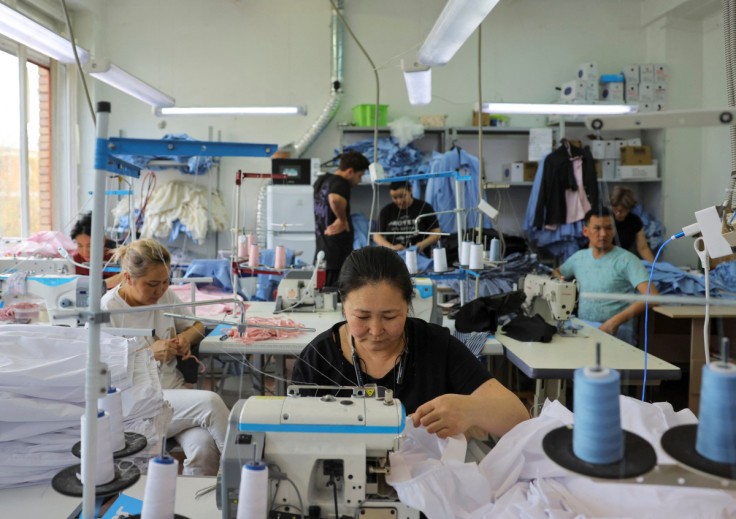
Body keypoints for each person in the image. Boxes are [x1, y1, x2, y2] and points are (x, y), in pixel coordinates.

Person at [291, 246, 528, 439]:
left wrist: (470, 410)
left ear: (408, 305)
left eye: (390, 317)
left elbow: (519, 417)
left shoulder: (437, 347)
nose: (376, 330)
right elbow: (293, 434)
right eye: (362, 317)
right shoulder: (317, 358)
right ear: (342, 305)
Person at [100, 238, 229, 476]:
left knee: (204, 448)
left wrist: (186, 338)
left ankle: (196, 507)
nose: (160, 290)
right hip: (141, 404)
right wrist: (149, 354)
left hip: (175, 396)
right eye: (152, 284)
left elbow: (198, 326)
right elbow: (104, 374)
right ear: (127, 278)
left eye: (165, 282)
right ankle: (242, 474)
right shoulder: (108, 310)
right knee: (211, 403)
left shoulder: (164, 296)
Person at [553, 207, 659, 345]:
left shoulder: (627, 260)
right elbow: (557, 273)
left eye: (609, 228)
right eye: (597, 228)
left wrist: (614, 322)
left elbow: (652, 296)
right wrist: (562, 285)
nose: (603, 234)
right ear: (585, 231)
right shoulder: (578, 258)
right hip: (584, 329)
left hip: (618, 332)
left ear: (614, 230)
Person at [313, 151, 370, 288]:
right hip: (336, 257)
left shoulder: (322, 181)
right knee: (336, 301)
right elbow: (334, 199)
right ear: (350, 171)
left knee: (323, 299)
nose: (360, 180)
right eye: (360, 176)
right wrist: (342, 219)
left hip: (322, 253)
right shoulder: (341, 182)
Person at [373, 181, 441, 257]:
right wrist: (391, 247)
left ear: (410, 191)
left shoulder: (425, 208)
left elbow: (436, 233)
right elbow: (377, 236)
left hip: (420, 254)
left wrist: (420, 245)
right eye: (394, 198)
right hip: (395, 256)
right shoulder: (386, 211)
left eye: (402, 196)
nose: (399, 201)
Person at [70, 212, 123, 289]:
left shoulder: (115, 258)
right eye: (80, 245)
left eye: (90, 245)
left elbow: (125, 277)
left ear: (103, 241)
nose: (85, 252)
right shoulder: (73, 261)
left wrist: (99, 286)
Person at [609, 186, 655, 262]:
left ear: (629, 208)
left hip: (622, 259)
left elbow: (643, 248)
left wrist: (655, 266)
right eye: (615, 209)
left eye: (622, 211)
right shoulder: (605, 219)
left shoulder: (634, 221)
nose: (617, 213)